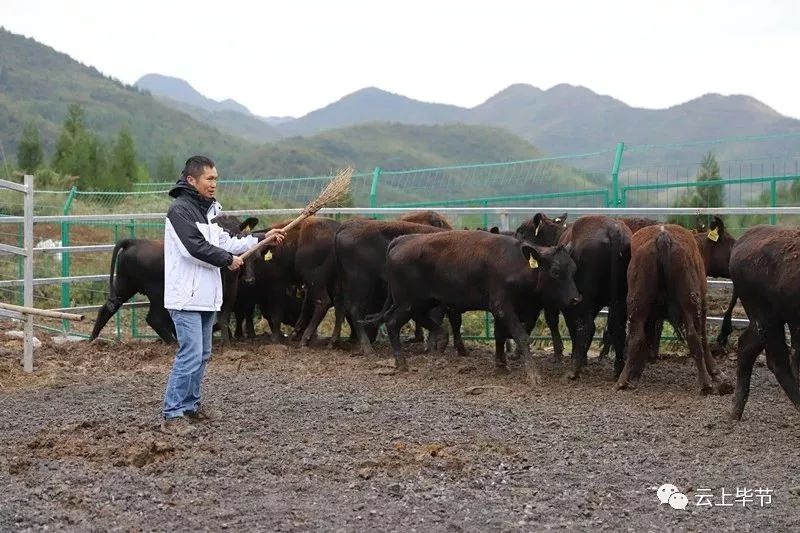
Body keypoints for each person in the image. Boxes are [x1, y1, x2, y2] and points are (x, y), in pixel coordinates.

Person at [161, 155, 284, 435]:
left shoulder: (211, 210)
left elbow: (227, 241)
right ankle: (172, 413)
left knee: (202, 353)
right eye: (209, 179)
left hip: (205, 295)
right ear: (192, 180)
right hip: (186, 297)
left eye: (216, 178)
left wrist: (262, 238)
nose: (214, 184)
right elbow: (193, 247)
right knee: (190, 353)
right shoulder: (179, 211)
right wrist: (227, 260)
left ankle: (190, 405)